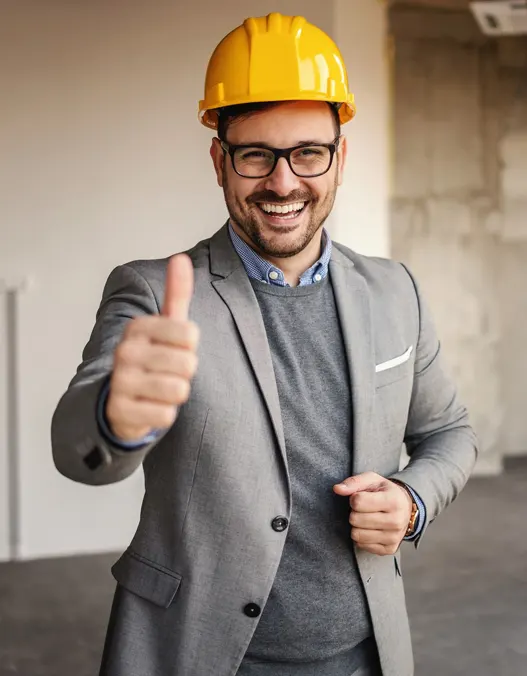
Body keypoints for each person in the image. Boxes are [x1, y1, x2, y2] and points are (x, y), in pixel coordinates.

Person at [51, 13, 478, 676]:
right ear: (220, 160)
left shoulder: (395, 291)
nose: (283, 183)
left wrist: (412, 498)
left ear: (340, 156)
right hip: (198, 652)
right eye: (256, 154)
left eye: (308, 152)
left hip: (363, 654)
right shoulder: (155, 290)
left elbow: (448, 432)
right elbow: (79, 452)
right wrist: (114, 415)